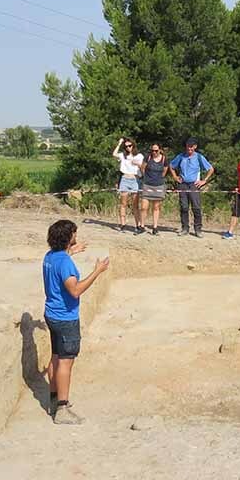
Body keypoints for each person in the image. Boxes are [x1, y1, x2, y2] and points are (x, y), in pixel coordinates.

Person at [42, 219, 110, 425]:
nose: (76, 237)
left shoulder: (50, 256)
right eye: (74, 234)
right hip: (65, 318)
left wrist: (72, 252)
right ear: (68, 237)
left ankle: (53, 399)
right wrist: (98, 271)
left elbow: (60, 263)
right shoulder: (65, 263)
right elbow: (75, 290)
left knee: (55, 357)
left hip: (51, 314)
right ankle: (62, 408)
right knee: (65, 362)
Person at [169, 138, 214, 237]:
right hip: (183, 184)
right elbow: (171, 166)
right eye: (188, 146)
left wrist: (204, 180)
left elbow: (210, 169)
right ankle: (185, 228)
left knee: (196, 207)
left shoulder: (199, 157)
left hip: (194, 185)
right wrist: (175, 177)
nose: (189, 148)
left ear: (195, 147)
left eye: (191, 146)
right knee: (184, 207)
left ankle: (198, 229)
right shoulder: (181, 156)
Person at [112, 138, 144, 234]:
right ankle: (123, 224)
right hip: (125, 179)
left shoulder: (139, 156)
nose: (128, 148)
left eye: (130, 146)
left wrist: (138, 164)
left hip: (134, 179)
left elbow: (143, 167)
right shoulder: (123, 155)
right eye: (126, 146)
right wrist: (119, 143)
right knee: (123, 203)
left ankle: (138, 225)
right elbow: (114, 154)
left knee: (135, 204)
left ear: (133, 146)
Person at [140, 143, 170, 235]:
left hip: (158, 185)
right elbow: (142, 168)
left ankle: (155, 227)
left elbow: (165, 170)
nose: (154, 152)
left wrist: (160, 178)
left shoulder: (164, 159)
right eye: (152, 150)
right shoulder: (148, 157)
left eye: (156, 151)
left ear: (160, 150)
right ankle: (141, 226)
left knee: (156, 207)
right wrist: (146, 177)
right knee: (144, 207)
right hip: (147, 184)